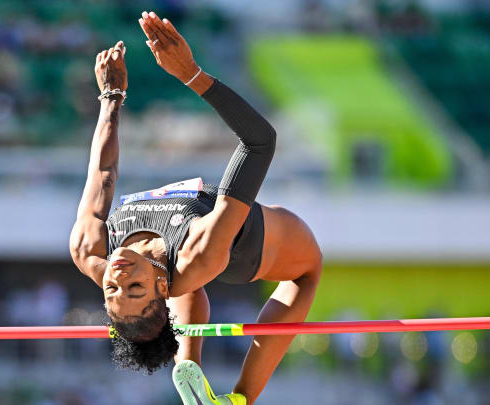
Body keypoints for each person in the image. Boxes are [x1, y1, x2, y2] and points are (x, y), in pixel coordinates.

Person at [69, 11, 322, 405]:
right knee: (306, 272)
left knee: (182, 271)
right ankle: (240, 399)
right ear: (160, 290)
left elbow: (103, 170)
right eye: (134, 287)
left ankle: (188, 368)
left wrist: (111, 97)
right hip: (247, 245)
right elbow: (259, 142)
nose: (117, 275)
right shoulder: (195, 254)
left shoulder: (90, 250)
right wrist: (191, 74)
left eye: (112, 290)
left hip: (186, 255)